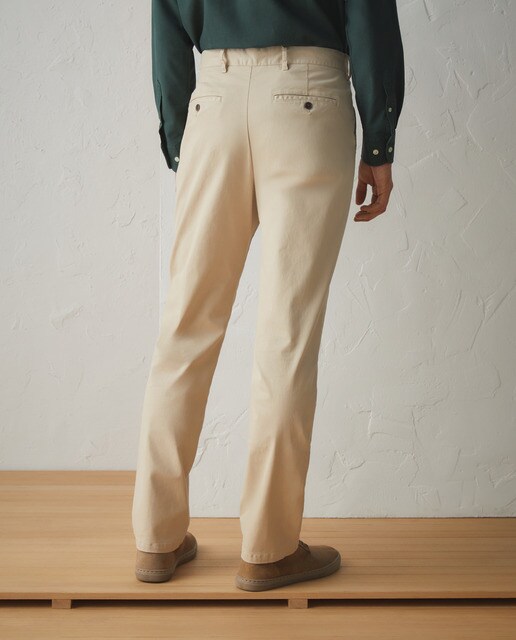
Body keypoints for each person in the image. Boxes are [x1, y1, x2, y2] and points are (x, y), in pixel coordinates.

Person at [132, 0, 405, 591]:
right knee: (287, 334)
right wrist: (378, 141)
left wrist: (183, 137)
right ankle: (269, 549)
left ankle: (156, 539)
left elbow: (167, 24)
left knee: (185, 327)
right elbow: (370, 18)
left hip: (214, 100)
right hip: (308, 96)